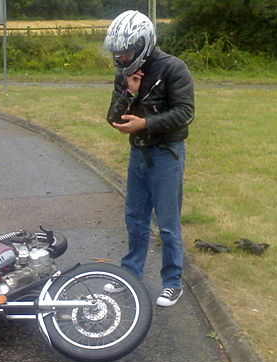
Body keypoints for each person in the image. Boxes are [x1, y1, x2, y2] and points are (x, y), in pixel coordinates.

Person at [104, 10, 195, 307]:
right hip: (138, 153)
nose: (121, 57)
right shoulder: (124, 73)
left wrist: (146, 123)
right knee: (135, 218)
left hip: (167, 154)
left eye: (126, 51)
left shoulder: (173, 68)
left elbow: (185, 113)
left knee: (168, 223)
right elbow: (113, 118)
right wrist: (130, 92)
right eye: (117, 52)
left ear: (143, 43)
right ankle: (130, 275)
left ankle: (172, 282)